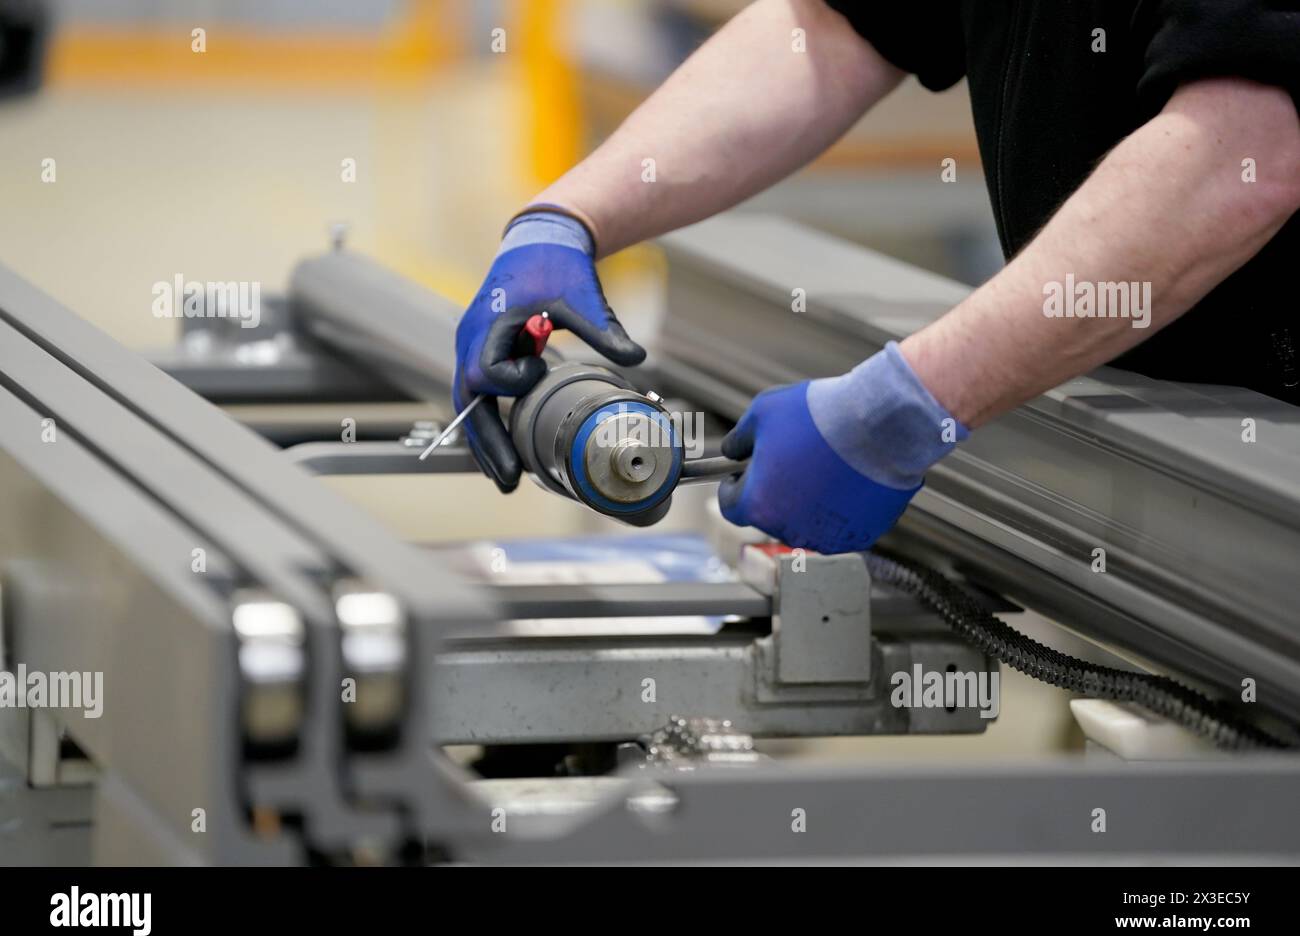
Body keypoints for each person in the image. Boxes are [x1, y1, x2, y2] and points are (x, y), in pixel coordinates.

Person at [453, 0, 1300, 554]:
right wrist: (566, 219)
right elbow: (828, 34)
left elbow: (1244, 156)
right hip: (1155, 457)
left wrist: (903, 406)